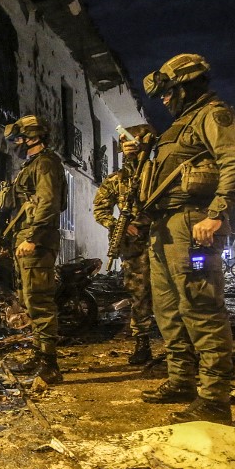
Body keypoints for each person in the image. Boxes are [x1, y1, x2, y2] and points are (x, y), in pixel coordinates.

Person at [135, 53, 235, 424]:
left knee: (201, 309)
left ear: (186, 85)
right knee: (168, 311)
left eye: (169, 93)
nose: (165, 100)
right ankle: (181, 381)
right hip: (164, 227)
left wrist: (216, 212)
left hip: (193, 224)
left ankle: (215, 399)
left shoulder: (213, 115)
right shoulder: (179, 127)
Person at [0, 114, 68, 384]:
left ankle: (50, 364)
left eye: (18, 138)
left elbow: (48, 203)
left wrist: (34, 237)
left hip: (36, 241)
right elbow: (25, 205)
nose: (15, 143)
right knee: (30, 300)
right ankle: (39, 355)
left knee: (40, 301)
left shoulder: (47, 163)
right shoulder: (33, 165)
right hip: (25, 237)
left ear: (33, 137)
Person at [93, 124, 156, 365]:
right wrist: (118, 223)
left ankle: (181, 347)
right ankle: (142, 343)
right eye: (126, 142)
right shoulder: (117, 180)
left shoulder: (158, 172)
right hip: (134, 245)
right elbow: (100, 209)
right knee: (138, 294)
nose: (131, 146)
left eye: (136, 141)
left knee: (170, 294)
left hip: (162, 240)